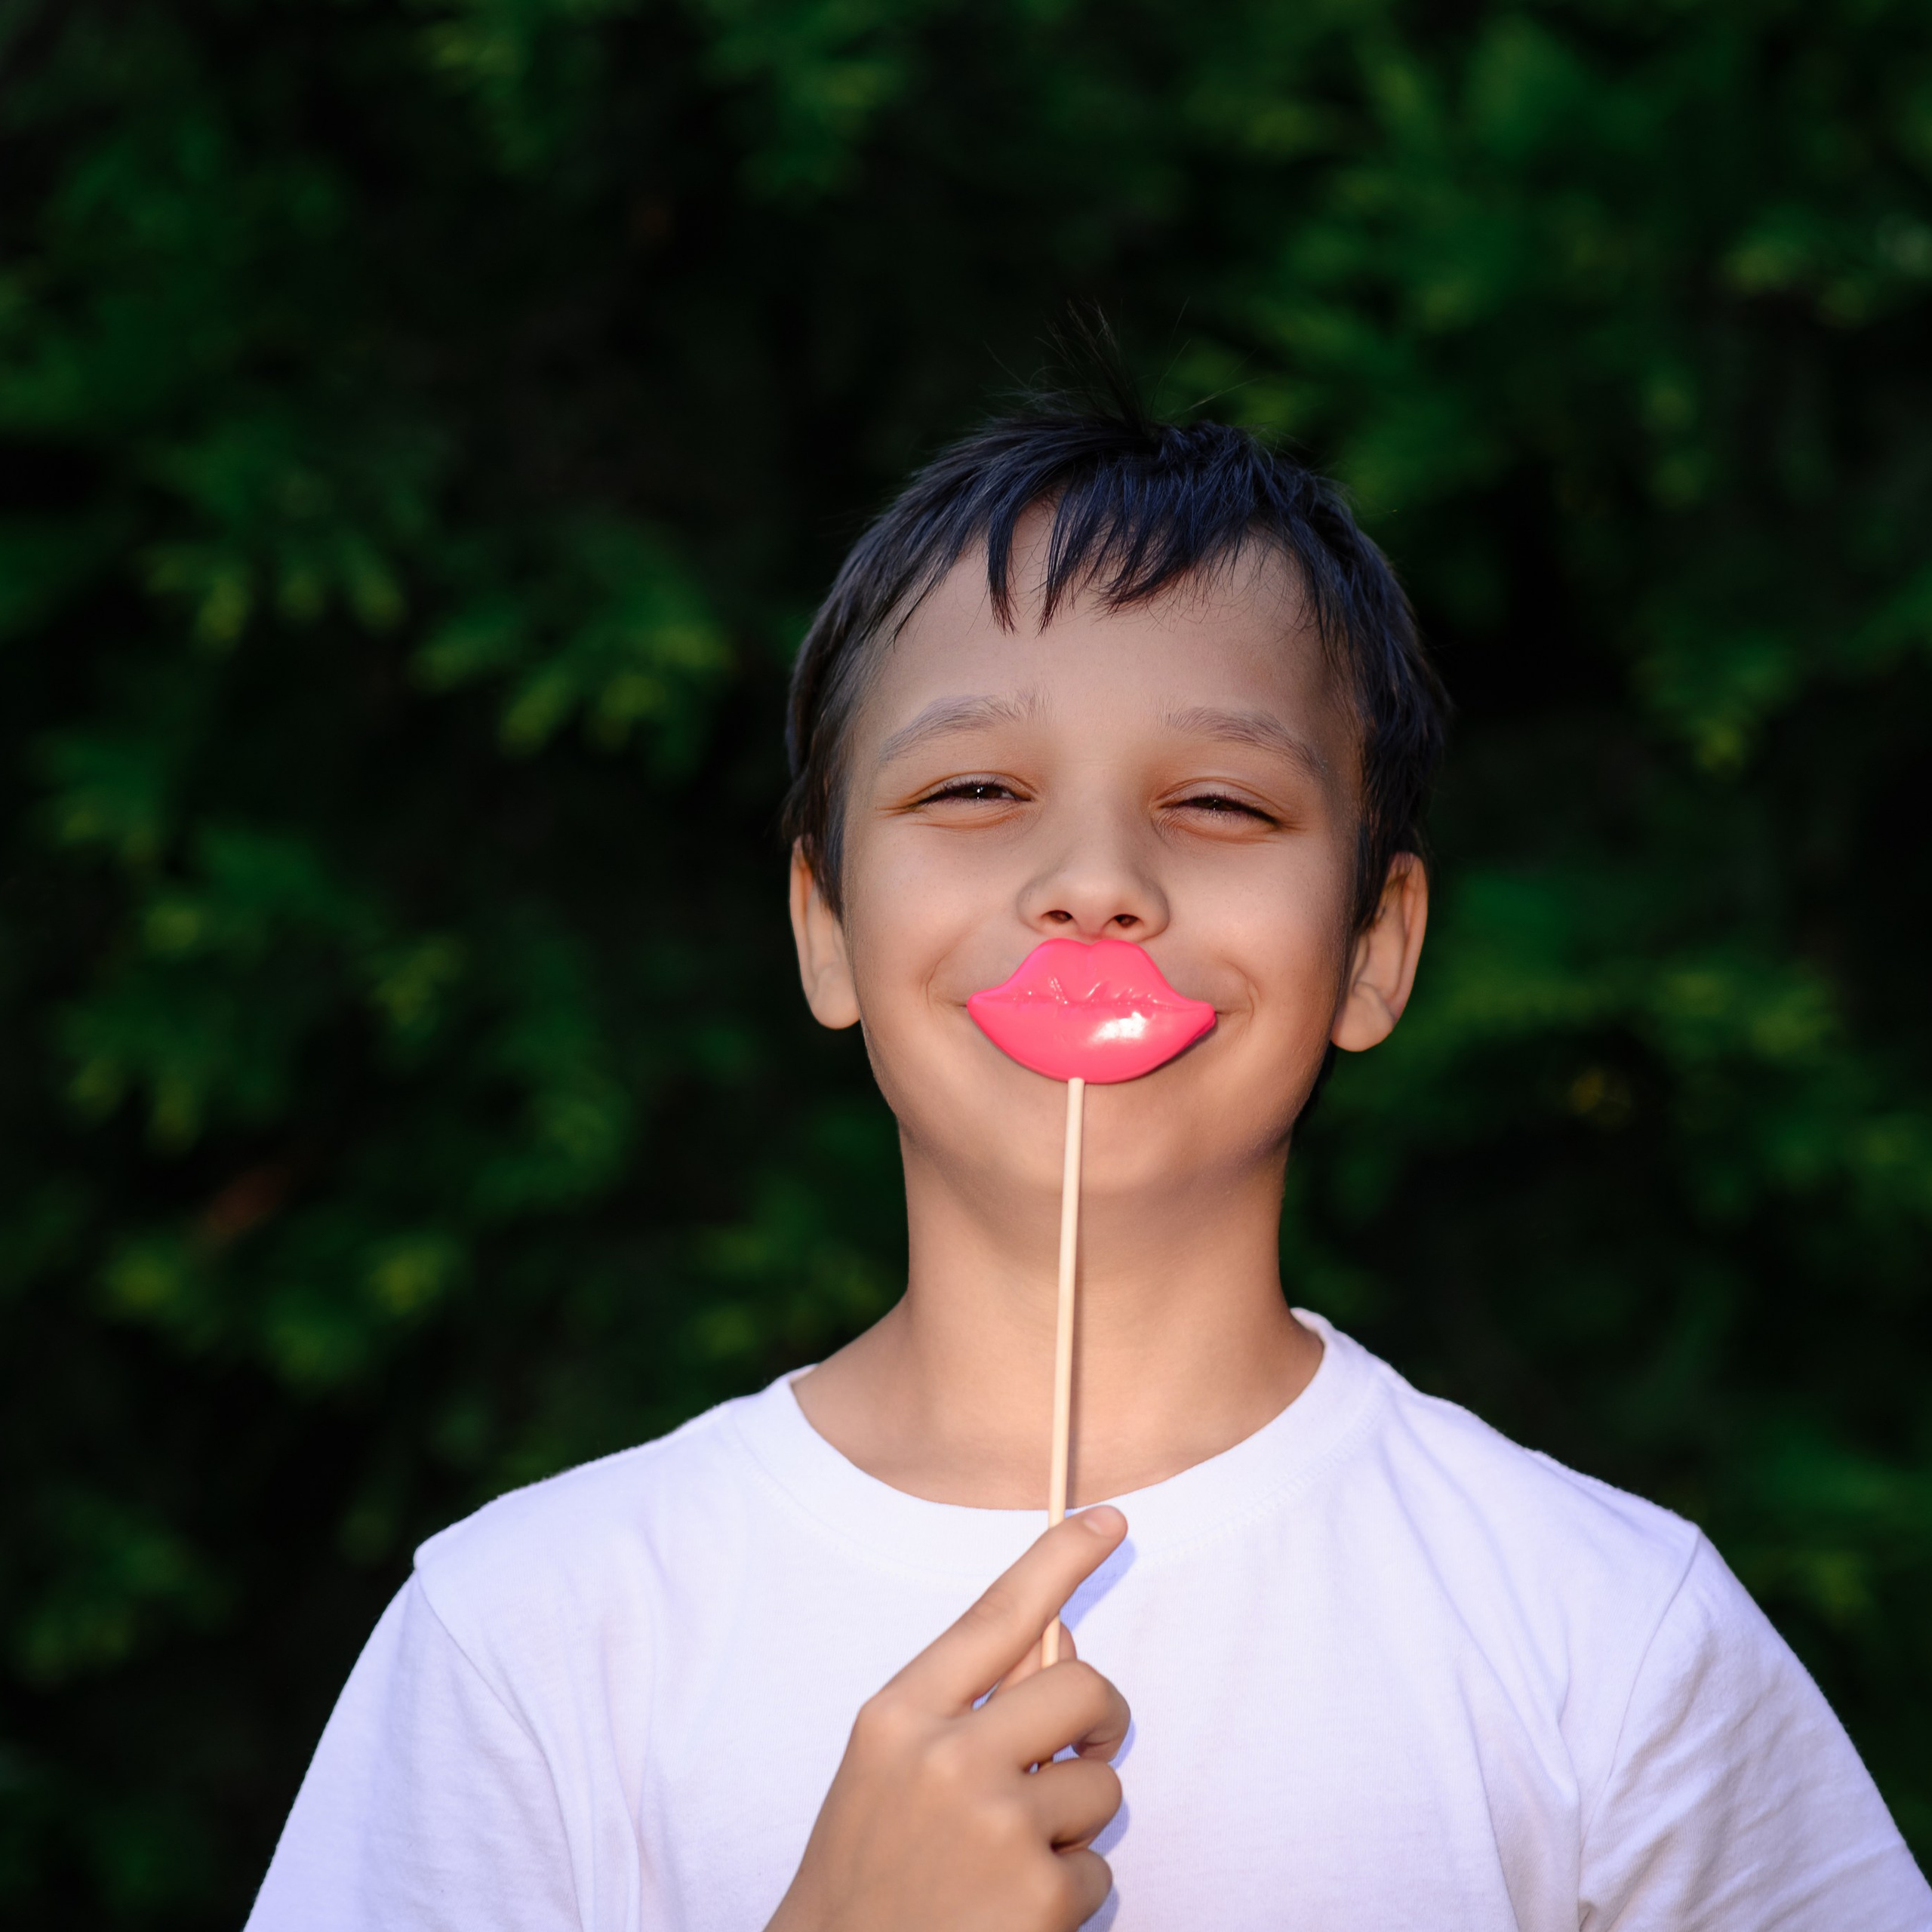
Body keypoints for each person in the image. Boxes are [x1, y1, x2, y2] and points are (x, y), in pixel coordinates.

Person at [245, 396, 1932, 1931]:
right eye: (975, 786)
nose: (1094, 881)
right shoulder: (529, 1641)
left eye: (1216, 802)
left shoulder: (1609, 1647)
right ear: (824, 925)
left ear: (1371, 947)